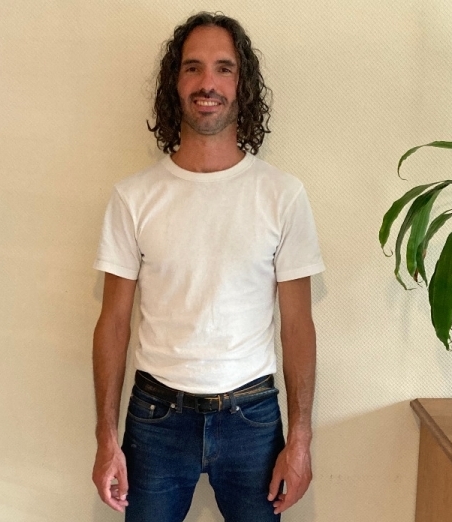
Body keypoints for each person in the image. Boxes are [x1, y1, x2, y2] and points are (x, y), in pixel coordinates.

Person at [92, 11, 324, 522]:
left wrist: (301, 439)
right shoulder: (134, 197)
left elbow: (297, 324)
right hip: (155, 418)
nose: (207, 84)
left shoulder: (282, 195)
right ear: (175, 83)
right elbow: (112, 321)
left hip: (252, 419)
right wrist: (106, 438)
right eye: (192, 67)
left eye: (224, 68)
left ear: (243, 84)